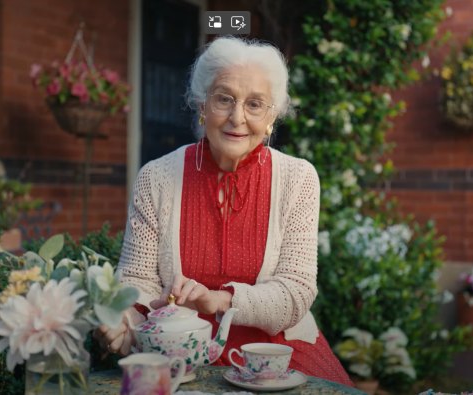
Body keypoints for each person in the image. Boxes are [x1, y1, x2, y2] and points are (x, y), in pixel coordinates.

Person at [95, 36, 352, 386]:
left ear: (271, 116)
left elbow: (296, 291)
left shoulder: (298, 179)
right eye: (224, 99)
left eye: (255, 104)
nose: (237, 117)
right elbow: (137, 281)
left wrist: (219, 300)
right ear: (202, 104)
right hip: (180, 353)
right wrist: (123, 321)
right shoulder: (155, 177)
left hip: (273, 355)